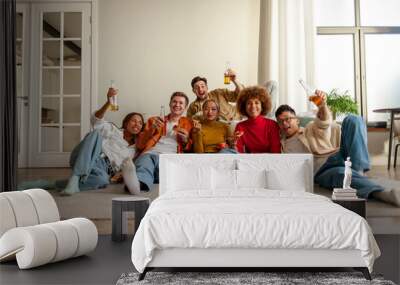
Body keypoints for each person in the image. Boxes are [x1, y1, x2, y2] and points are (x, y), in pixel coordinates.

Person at [275, 90, 383, 198]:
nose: (284, 123)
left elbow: (323, 122)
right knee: (341, 174)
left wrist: (322, 106)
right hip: (322, 170)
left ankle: (358, 170)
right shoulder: (281, 146)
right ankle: (379, 192)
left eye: (288, 119)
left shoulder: (309, 128)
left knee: (353, 119)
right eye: (280, 121)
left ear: (297, 120)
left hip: (336, 155)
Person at [60, 87, 145, 195]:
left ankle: (63, 184)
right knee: (96, 134)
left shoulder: (136, 149)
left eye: (140, 123)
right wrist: (108, 102)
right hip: (88, 156)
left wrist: (120, 174)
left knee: (102, 181)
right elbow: (95, 120)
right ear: (126, 122)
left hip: (103, 169)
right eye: (134, 121)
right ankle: (76, 176)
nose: (137, 124)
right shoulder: (113, 129)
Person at [134, 92, 193, 190]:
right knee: (144, 162)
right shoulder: (154, 120)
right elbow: (140, 145)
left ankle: (146, 177)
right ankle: (138, 184)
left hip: (171, 157)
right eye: (174, 102)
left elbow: (190, 147)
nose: (177, 105)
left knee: (169, 173)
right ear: (170, 104)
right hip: (151, 154)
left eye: (181, 103)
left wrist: (186, 140)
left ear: (185, 107)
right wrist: (151, 129)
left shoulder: (189, 124)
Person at [234, 86, 281, 153]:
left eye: (256, 102)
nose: (253, 106)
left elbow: (276, 151)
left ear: (262, 106)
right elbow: (238, 151)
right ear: (244, 107)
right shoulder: (240, 126)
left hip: (270, 160)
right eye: (249, 103)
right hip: (249, 161)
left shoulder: (272, 125)